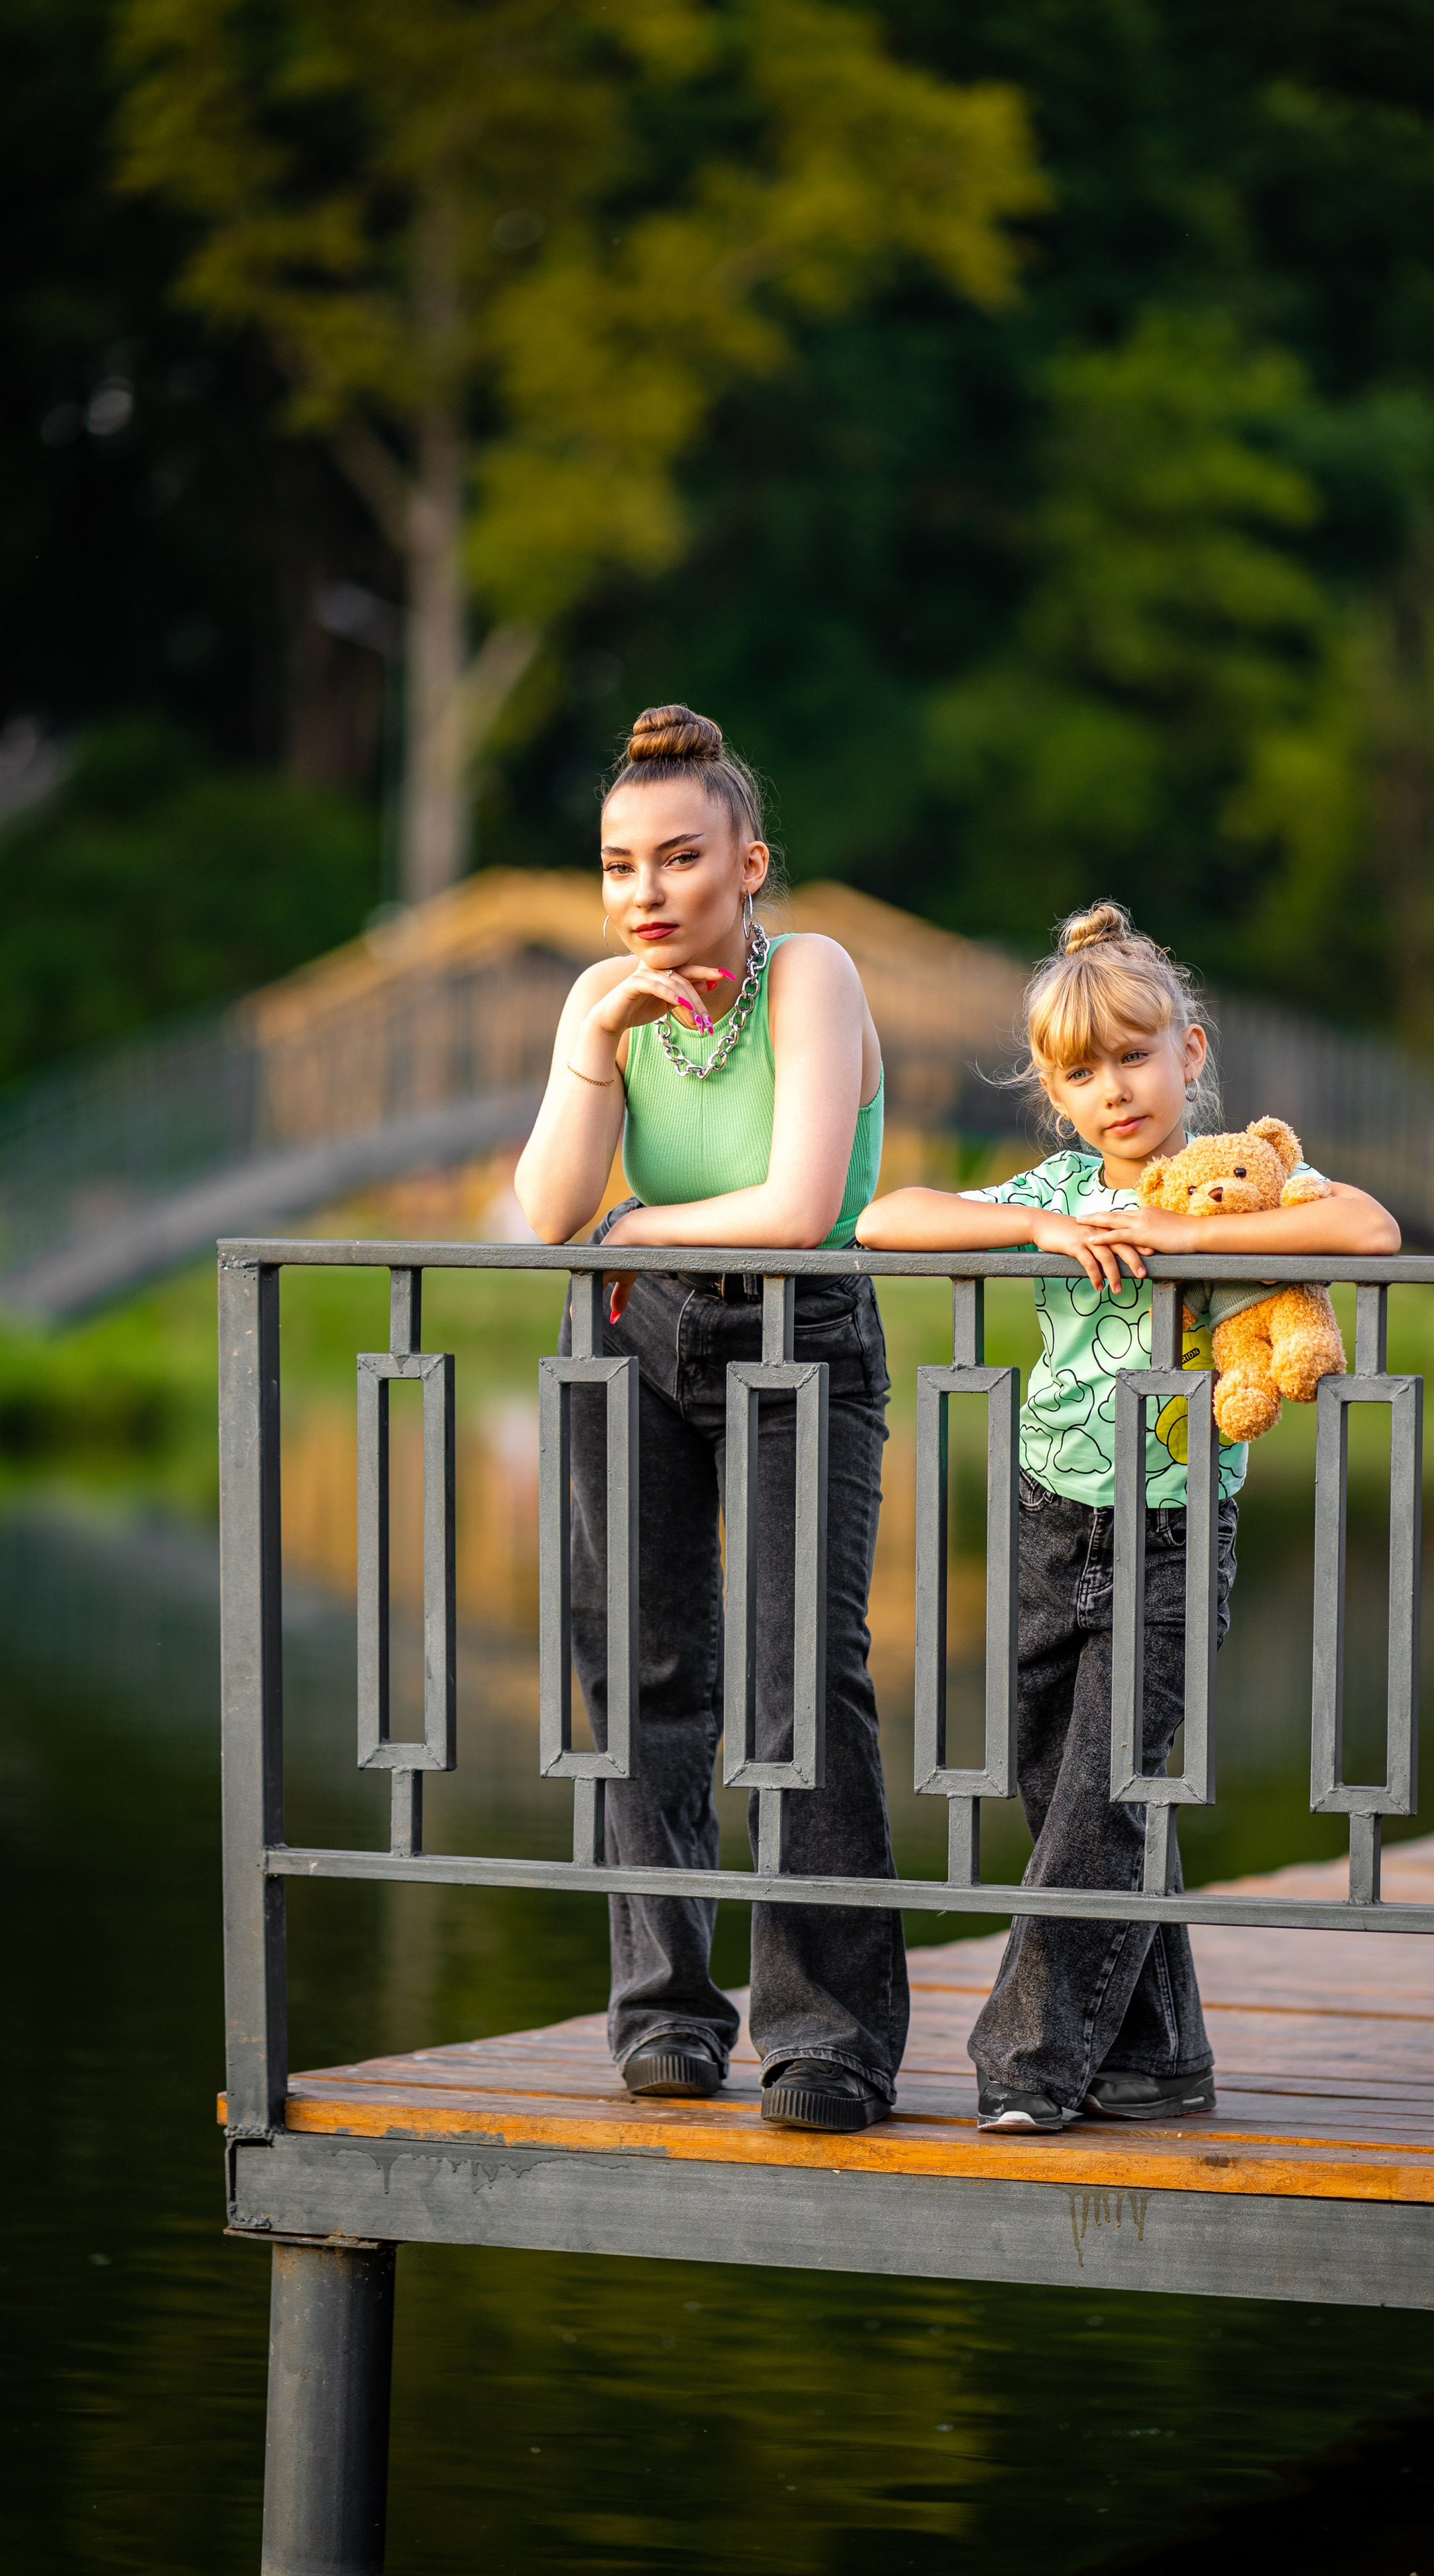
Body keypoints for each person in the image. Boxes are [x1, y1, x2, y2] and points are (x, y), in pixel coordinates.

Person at [855, 902, 1400, 2133]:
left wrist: (1173, 1228)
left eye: (1136, 1058)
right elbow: (890, 1219)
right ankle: (1163, 2058)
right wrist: (1041, 1227)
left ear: (1191, 1055)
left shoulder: (1237, 1189)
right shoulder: (1059, 1187)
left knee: (1107, 1793)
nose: (1116, 1091)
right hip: (1051, 1527)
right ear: (1055, 1093)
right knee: (1065, 1799)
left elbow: (1370, 1228)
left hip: (1168, 1534)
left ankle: (1029, 2065)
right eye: (1083, 1073)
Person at [514, 703, 903, 2136]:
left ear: (749, 861)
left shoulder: (813, 973)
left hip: (800, 1327)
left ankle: (829, 2040)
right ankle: (666, 2016)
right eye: (619, 868)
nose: (645, 895)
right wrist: (593, 1041)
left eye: (679, 861)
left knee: (805, 1682)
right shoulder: (601, 999)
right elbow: (548, 1215)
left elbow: (803, 1210)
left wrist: (643, 1220)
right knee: (641, 1668)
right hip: (632, 1330)